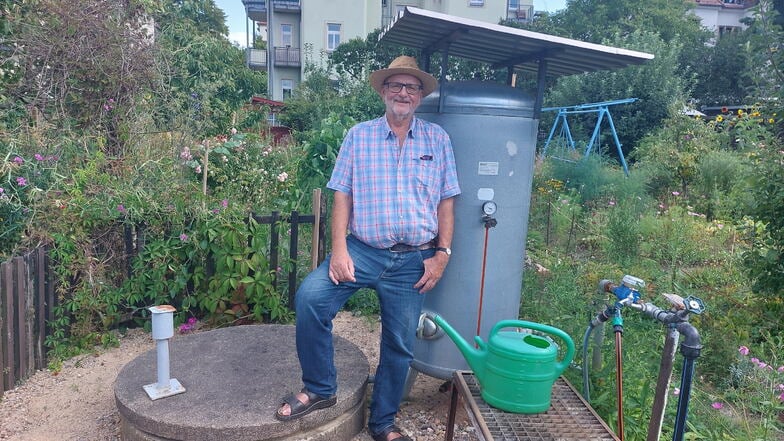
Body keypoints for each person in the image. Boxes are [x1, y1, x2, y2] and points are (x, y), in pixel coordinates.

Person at [275, 55, 461, 441]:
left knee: (399, 343)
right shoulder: (359, 136)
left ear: (421, 95)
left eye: (412, 87)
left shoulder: (437, 140)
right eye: (396, 85)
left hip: (414, 258)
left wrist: (442, 255)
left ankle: (382, 424)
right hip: (362, 251)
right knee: (311, 297)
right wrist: (339, 250)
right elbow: (341, 194)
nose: (403, 93)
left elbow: (447, 201)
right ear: (383, 91)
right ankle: (321, 388)